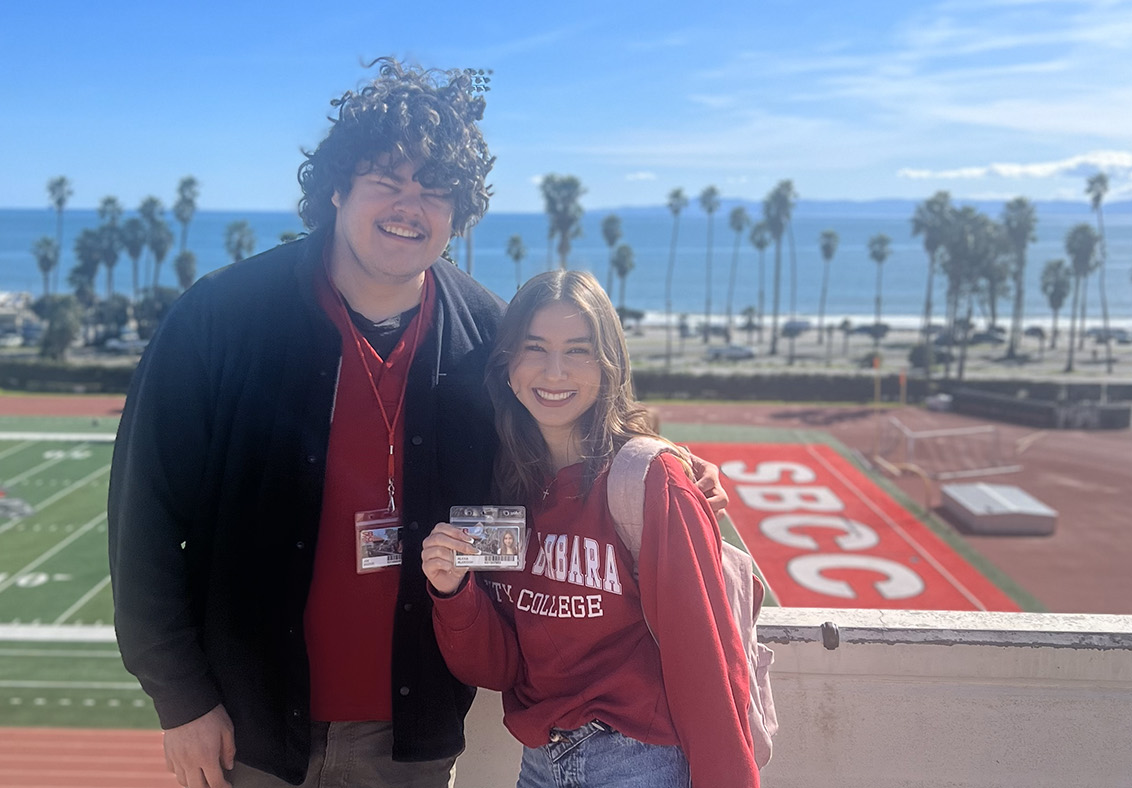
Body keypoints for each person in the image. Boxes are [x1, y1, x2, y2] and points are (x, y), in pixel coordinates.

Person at [109, 60, 727, 788]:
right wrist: (181, 701)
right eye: (387, 180)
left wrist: (667, 467)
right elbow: (142, 515)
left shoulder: (488, 333)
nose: (411, 205)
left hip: (414, 739)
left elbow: (565, 434)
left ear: (457, 215)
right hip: (250, 730)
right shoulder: (219, 318)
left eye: (436, 190)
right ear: (336, 187)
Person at [421, 270, 759, 787]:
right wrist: (454, 591)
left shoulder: (649, 480)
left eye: (578, 350)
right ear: (508, 365)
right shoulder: (508, 487)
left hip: (640, 763)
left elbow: (709, 667)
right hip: (539, 764)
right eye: (535, 347)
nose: (554, 371)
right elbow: (502, 669)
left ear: (608, 366)